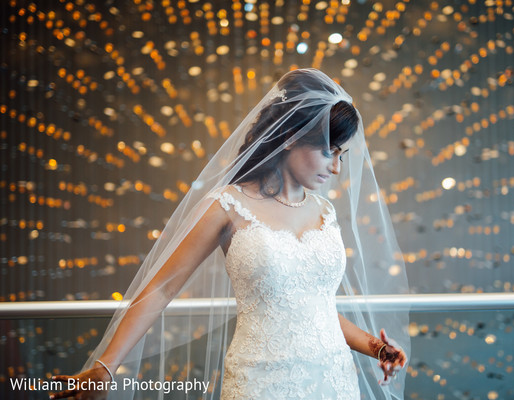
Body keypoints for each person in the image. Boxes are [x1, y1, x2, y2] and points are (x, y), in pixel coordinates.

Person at [49, 68, 410, 399]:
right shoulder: (226, 205)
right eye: (327, 151)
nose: (336, 167)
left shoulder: (324, 212)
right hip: (261, 383)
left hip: (334, 381)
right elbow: (160, 289)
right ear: (288, 137)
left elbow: (314, 308)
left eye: (341, 155)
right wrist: (106, 366)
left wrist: (376, 347)